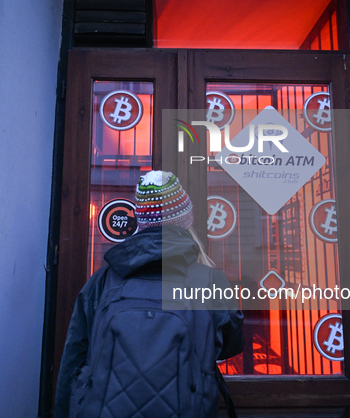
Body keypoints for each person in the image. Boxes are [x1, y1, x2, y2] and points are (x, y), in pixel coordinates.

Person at [55, 170, 244, 418]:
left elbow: (74, 357)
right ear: (186, 220)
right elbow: (232, 345)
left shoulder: (104, 279)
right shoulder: (209, 281)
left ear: (140, 221)